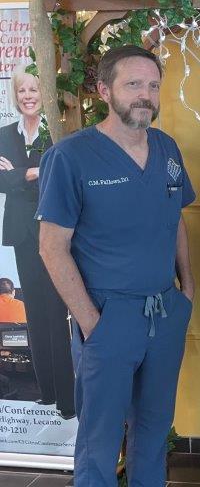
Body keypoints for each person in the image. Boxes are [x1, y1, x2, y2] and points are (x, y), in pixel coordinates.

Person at [37, 45, 196, 487]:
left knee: (154, 432)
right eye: (133, 84)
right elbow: (51, 247)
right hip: (108, 317)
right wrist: (92, 323)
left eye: (153, 86)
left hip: (165, 312)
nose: (145, 95)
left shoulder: (166, 149)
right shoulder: (70, 157)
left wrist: (187, 289)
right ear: (105, 91)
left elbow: (175, 217)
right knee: (99, 442)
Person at [0, 70, 74, 416]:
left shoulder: (57, 132)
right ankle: (47, 392)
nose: (28, 95)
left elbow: (60, 177)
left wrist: (18, 174)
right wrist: (33, 172)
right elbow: (1, 182)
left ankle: (67, 399)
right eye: (22, 90)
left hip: (53, 229)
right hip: (22, 232)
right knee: (34, 312)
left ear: (45, 93)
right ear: (15, 96)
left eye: (34, 89)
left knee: (56, 312)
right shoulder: (4, 134)